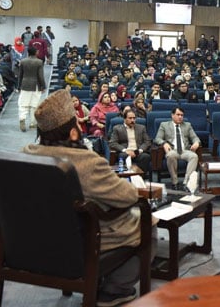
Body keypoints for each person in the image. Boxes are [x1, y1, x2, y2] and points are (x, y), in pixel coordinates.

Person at [24, 89, 155, 306]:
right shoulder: (86, 162)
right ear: (74, 133)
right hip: (81, 243)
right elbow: (127, 196)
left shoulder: (27, 153)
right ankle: (114, 290)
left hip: (34, 241)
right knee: (147, 221)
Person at [153, 107, 201, 190]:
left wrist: (196, 143)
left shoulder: (187, 125)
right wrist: (164, 143)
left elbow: (195, 137)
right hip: (172, 150)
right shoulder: (164, 125)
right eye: (178, 115)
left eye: (182, 115)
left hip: (185, 150)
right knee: (170, 155)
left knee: (194, 156)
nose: (180, 117)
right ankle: (174, 182)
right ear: (172, 115)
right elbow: (157, 138)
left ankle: (187, 182)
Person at [109, 109, 152, 174]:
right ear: (124, 119)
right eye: (130, 118)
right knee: (122, 156)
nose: (132, 120)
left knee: (145, 157)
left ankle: (140, 177)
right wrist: (125, 150)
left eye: (134, 118)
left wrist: (138, 151)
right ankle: (125, 179)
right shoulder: (117, 128)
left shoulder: (141, 128)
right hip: (125, 152)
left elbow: (147, 141)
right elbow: (113, 143)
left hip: (138, 152)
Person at [17, 47, 45, 132]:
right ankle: (33, 123)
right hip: (35, 85)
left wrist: (19, 86)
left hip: (25, 84)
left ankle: (22, 120)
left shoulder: (23, 61)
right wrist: (43, 86)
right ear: (36, 52)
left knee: (23, 104)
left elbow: (20, 75)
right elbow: (40, 76)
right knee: (34, 105)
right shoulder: (39, 62)